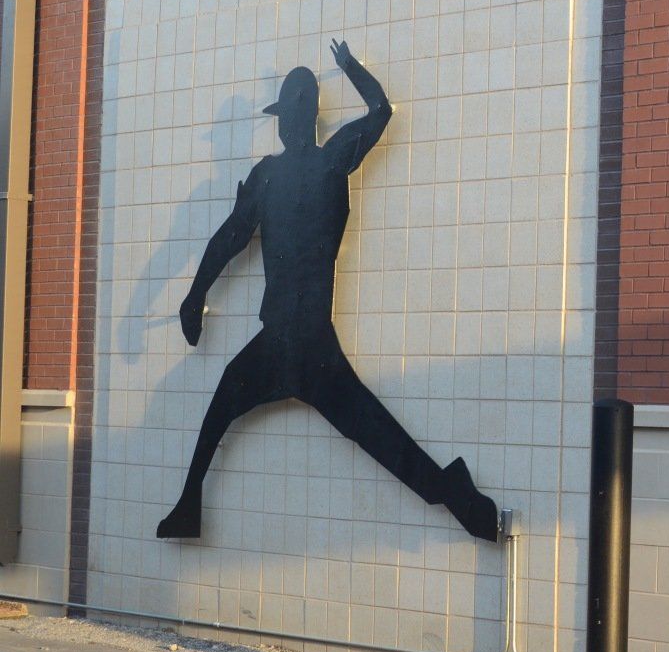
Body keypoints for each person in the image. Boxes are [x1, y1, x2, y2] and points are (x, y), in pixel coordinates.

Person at [158, 40, 500, 543]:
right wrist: (193, 295)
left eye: (286, 112)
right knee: (235, 403)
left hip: (300, 341)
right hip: (289, 339)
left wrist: (351, 67)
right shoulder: (279, 173)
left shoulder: (313, 165)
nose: (280, 123)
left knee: (376, 436)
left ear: (305, 112)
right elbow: (230, 236)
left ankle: (457, 494)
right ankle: (189, 505)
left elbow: (381, 112)